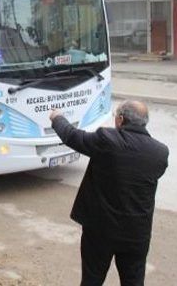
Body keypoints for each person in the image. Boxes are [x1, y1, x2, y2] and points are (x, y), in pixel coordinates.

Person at [49, 100, 169, 285]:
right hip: (137, 234)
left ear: (121, 119)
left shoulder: (107, 140)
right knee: (134, 282)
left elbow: (72, 136)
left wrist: (57, 118)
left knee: (92, 279)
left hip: (100, 231)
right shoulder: (160, 152)